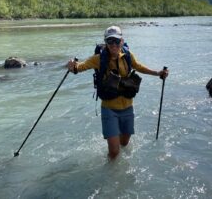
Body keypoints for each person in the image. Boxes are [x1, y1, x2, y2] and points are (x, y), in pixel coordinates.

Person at [67, 25, 169, 159]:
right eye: (110, 41)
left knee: (125, 144)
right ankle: (109, 174)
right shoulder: (98, 59)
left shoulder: (127, 56)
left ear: (121, 41)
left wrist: (158, 73)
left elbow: (138, 66)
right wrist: (72, 66)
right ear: (106, 42)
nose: (113, 44)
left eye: (116, 40)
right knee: (114, 152)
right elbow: (80, 67)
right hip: (109, 108)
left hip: (127, 107)